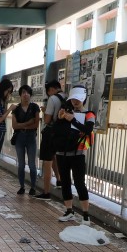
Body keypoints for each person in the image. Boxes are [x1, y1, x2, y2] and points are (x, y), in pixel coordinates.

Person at [54, 85, 95, 223]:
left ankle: (85, 215)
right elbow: (57, 130)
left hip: (78, 154)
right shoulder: (66, 112)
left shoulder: (89, 114)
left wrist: (72, 119)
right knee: (65, 182)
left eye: (78, 99)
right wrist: (60, 119)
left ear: (83, 98)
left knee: (79, 183)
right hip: (62, 153)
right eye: (73, 99)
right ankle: (69, 211)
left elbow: (88, 129)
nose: (75, 102)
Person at [36, 80, 63, 200]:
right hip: (61, 134)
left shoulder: (53, 99)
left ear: (51, 89)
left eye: (48, 91)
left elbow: (47, 120)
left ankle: (46, 192)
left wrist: (45, 110)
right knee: (54, 156)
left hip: (50, 133)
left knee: (47, 162)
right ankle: (59, 180)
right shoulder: (66, 96)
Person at [11, 84, 40, 195]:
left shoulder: (35, 107)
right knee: (21, 164)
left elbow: (36, 124)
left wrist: (21, 125)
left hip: (31, 137)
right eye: (23, 92)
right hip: (19, 138)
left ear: (30, 95)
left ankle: (33, 187)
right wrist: (28, 123)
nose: (26, 95)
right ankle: (22, 186)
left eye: (28, 92)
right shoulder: (16, 109)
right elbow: (14, 126)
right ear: (20, 95)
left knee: (32, 164)